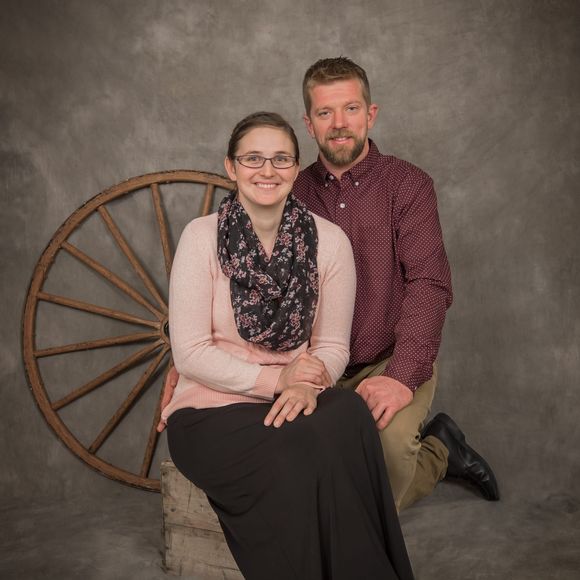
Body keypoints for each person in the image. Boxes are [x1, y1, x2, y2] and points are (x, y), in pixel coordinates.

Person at [161, 111, 415, 580]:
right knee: (299, 454)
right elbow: (190, 353)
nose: (268, 170)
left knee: (349, 416)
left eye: (281, 159)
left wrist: (306, 386)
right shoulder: (200, 237)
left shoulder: (329, 242)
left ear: (296, 169)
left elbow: (333, 346)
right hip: (211, 410)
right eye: (253, 158)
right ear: (231, 167)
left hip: (298, 394)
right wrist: (278, 380)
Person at [292, 56, 499, 511]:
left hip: (386, 358)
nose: (339, 124)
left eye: (350, 109)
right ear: (309, 124)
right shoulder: (291, 192)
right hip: (313, 366)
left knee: (383, 465)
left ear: (371, 114)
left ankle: (438, 454)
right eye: (325, 112)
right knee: (300, 472)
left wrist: (401, 377)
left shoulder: (408, 185)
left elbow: (429, 284)